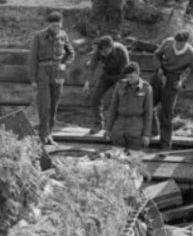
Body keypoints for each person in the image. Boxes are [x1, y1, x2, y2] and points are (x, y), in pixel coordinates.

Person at [27, 12, 75, 142]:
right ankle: (43, 135)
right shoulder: (39, 36)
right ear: (48, 25)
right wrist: (33, 79)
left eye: (58, 25)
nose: (56, 28)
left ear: (61, 24)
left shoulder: (63, 35)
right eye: (53, 25)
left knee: (54, 105)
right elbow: (32, 58)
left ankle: (49, 133)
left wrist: (64, 64)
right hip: (43, 73)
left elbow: (70, 53)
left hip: (58, 73)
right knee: (44, 105)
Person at [151, 31, 193, 151]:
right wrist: (159, 68)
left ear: (186, 43)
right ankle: (153, 131)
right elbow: (156, 54)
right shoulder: (168, 43)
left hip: (173, 81)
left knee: (166, 113)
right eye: (177, 43)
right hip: (159, 74)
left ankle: (166, 143)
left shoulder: (191, 54)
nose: (178, 46)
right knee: (148, 104)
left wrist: (183, 83)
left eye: (181, 44)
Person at [83, 35, 130, 135]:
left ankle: (117, 126)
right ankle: (98, 124)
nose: (103, 54)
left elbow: (125, 72)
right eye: (101, 51)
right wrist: (87, 82)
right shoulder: (99, 51)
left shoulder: (121, 51)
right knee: (95, 98)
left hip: (120, 76)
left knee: (118, 100)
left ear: (111, 47)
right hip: (107, 75)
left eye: (105, 51)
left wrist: (120, 87)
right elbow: (92, 66)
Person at [106, 63, 153, 152]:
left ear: (138, 73)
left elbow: (148, 113)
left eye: (132, 76)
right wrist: (108, 129)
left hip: (136, 126)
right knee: (117, 156)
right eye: (127, 77)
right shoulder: (120, 86)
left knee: (134, 157)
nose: (129, 79)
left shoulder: (146, 88)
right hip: (120, 124)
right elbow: (113, 108)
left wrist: (146, 134)